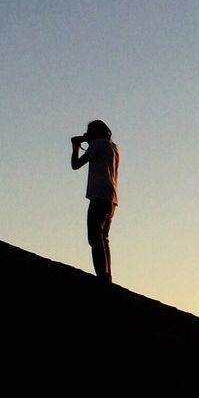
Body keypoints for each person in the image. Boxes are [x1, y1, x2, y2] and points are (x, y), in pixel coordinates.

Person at [71, 120, 120, 282]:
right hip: (111, 197)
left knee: (94, 236)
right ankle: (107, 275)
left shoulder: (98, 144)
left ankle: (102, 276)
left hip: (98, 194)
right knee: (103, 237)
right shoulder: (114, 147)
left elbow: (76, 165)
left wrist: (76, 147)